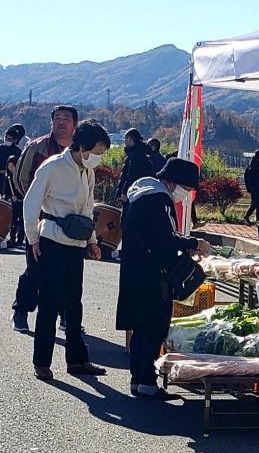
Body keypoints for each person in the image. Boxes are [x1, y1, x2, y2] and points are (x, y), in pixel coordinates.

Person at [24, 119, 111, 381]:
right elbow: (31, 204)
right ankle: (41, 361)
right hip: (52, 241)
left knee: (74, 303)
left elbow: (87, 208)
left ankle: (77, 360)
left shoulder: (87, 170)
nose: (98, 157)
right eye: (97, 151)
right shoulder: (52, 167)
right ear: (82, 146)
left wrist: (92, 241)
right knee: (49, 303)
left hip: (76, 243)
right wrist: (33, 240)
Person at [116, 157, 211, 398]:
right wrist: (193, 242)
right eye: (187, 189)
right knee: (153, 327)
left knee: (139, 328)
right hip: (152, 272)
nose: (186, 194)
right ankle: (148, 383)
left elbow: (156, 234)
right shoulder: (159, 199)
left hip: (134, 268)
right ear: (174, 182)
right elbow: (163, 239)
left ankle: (138, 380)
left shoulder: (141, 192)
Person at [10, 105, 79, 332]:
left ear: (74, 125)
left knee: (67, 273)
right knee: (36, 269)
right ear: (51, 123)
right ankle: (21, 310)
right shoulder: (37, 147)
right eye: (57, 118)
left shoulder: (79, 150)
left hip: (68, 223)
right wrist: (37, 202)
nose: (61, 121)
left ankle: (66, 316)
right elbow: (21, 179)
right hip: (40, 220)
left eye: (66, 118)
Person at [117, 129, 155, 207]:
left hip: (134, 194)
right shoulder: (140, 153)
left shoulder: (136, 155)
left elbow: (132, 175)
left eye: (126, 138)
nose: (124, 141)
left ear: (131, 139)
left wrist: (124, 192)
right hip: (139, 193)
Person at [242, 150, 259, 225]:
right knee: (257, 204)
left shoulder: (250, 165)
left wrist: (248, 187)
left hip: (252, 188)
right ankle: (247, 217)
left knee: (256, 203)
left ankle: (257, 220)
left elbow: (246, 177)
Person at [6, 155, 25, 247]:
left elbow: (24, 189)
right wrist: (10, 196)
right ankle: (12, 238)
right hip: (14, 202)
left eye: (12, 166)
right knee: (13, 221)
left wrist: (18, 196)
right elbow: (6, 190)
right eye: (9, 166)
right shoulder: (8, 177)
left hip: (22, 201)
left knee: (22, 221)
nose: (11, 168)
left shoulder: (21, 176)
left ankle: (20, 239)